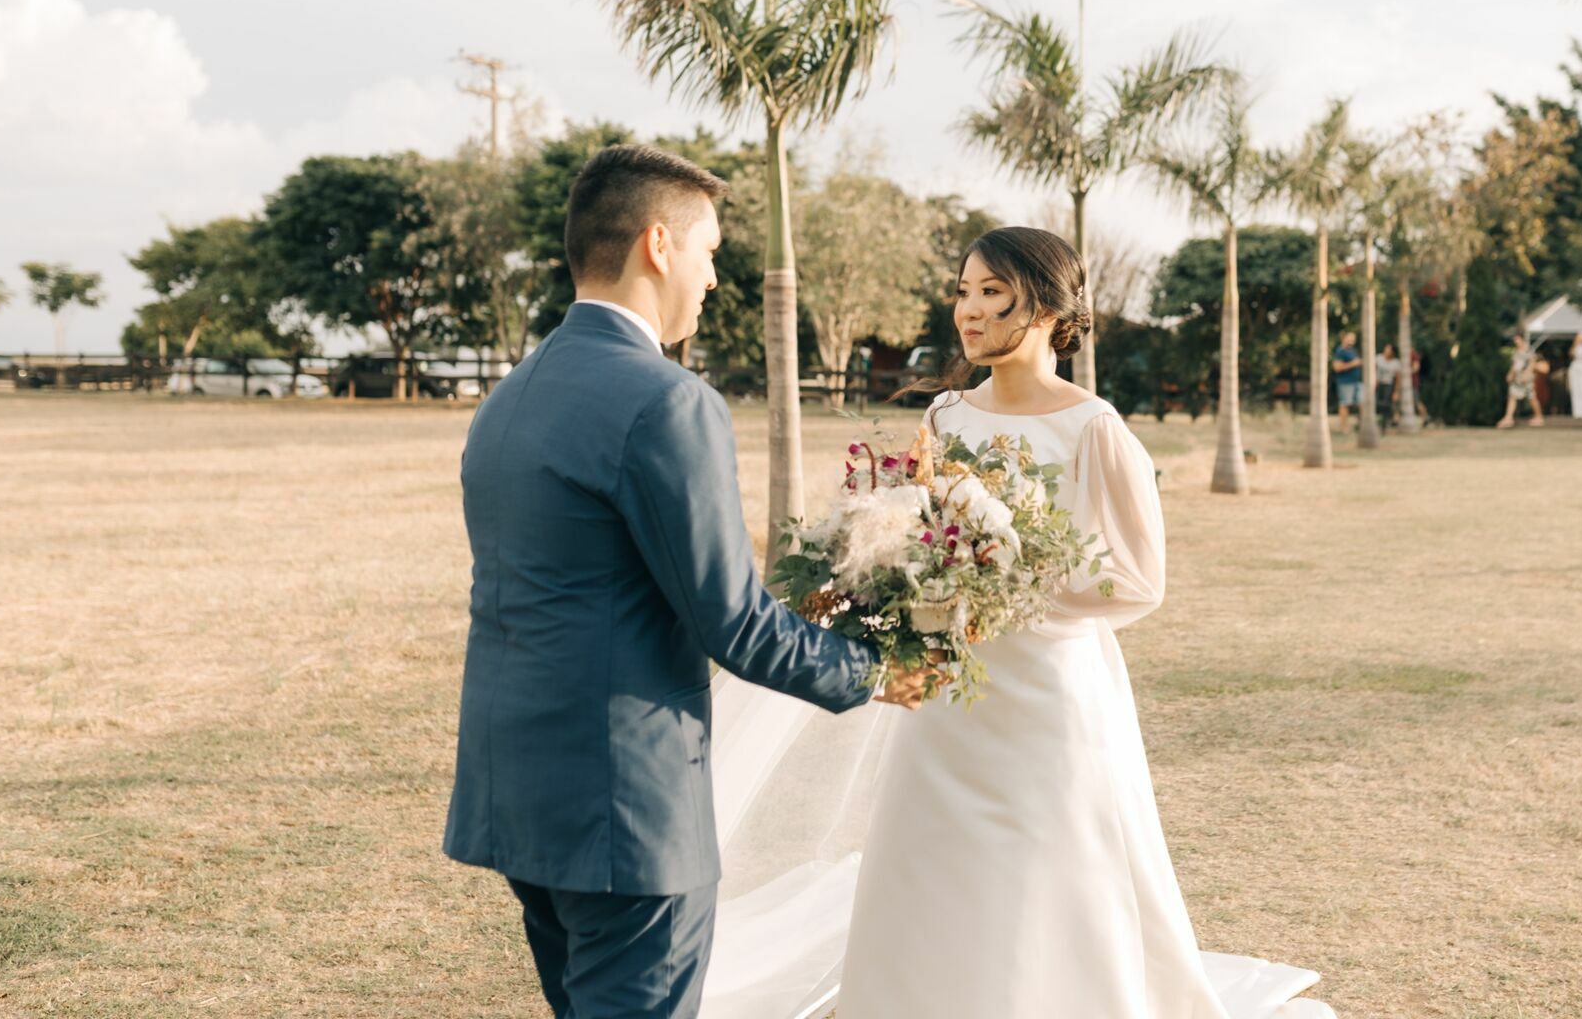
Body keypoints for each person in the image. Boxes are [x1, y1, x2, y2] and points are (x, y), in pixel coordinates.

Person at [701, 228, 1336, 1019]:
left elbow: (1141, 579)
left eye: (991, 293)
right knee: (929, 854)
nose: (968, 311)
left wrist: (1004, 590)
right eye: (963, 291)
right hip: (945, 691)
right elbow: (910, 531)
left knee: (1047, 861)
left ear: (1044, 306)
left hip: (1049, 694)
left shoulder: (1094, 427)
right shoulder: (943, 413)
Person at [443, 144, 935, 1019]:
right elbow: (733, 622)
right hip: (624, 805)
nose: (713, 279)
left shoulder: (507, 397)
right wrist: (875, 672)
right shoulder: (667, 400)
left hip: (518, 788)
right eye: (709, 253)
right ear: (658, 245)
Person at [1496, 334, 1547, 429]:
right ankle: (1508, 418)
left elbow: (1532, 363)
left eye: (1517, 339)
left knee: (1531, 397)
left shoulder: (1528, 350)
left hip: (1526, 378)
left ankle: (1539, 417)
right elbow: (1515, 365)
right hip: (1517, 378)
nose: (1516, 341)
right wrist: (1510, 374)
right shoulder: (1516, 351)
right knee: (1512, 396)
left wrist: (1526, 374)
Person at [1330, 330, 1361, 434]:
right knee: (1345, 404)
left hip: (1357, 381)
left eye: (1353, 339)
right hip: (1345, 382)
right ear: (1344, 338)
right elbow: (1337, 367)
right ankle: (1344, 428)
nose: (1352, 340)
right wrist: (1353, 364)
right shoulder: (1340, 351)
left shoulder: (1353, 351)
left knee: (1362, 403)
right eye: (1350, 338)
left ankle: (1361, 426)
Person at [1375, 343, 1403, 429]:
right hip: (1378, 384)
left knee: (1386, 405)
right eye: (1386, 349)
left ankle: (1385, 424)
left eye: (1389, 349)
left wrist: (1396, 392)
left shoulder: (1396, 363)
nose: (1386, 351)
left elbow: (1398, 378)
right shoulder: (1378, 358)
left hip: (1389, 385)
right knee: (1376, 403)